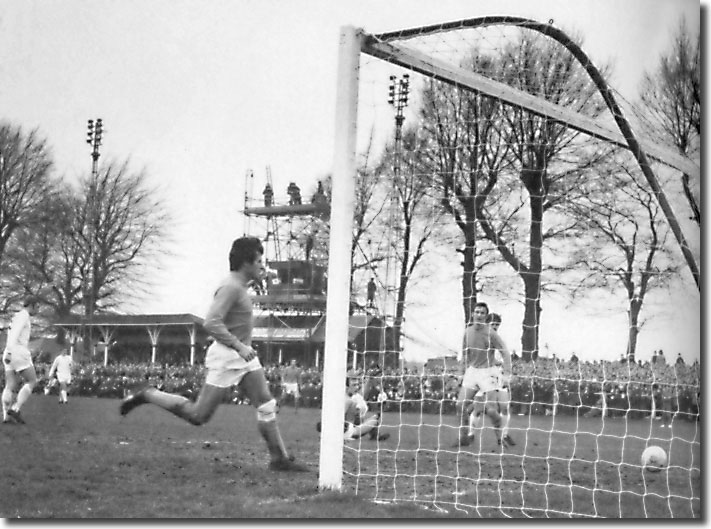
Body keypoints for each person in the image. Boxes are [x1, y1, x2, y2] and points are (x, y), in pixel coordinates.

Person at [119, 237, 308, 472]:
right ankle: (148, 394)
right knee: (199, 415)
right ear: (245, 263)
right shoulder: (230, 287)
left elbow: (247, 292)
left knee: (266, 404)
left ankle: (279, 459)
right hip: (228, 356)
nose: (263, 265)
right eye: (259, 261)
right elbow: (211, 322)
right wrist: (239, 346)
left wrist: (265, 278)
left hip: (244, 357)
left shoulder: (240, 285)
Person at [454, 302, 512, 448]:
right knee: (460, 405)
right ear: (473, 314)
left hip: (488, 372)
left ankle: (501, 434)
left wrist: (506, 373)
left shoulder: (490, 333)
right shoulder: (467, 331)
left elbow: (505, 351)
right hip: (472, 371)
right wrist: (461, 372)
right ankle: (463, 438)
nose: (479, 315)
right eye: (477, 312)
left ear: (485, 317)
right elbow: (465, 353)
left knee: (491, 409)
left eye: (482, 313)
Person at [467, 312, 515, 447]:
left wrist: (506, 373)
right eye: (492, 324)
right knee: (478, 408)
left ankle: (504, 435)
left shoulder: (499, 340)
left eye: (497, 325)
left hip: (498, 378)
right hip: (483, 376)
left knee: (505, 407)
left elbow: (505, 357)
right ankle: (471, 434)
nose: (494, 327)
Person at [2, 296, 41, 424]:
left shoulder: (16, 316)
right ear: (33, 305)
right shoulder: (24, 316)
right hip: (17, 351)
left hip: (9, 352)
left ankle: (6, 416)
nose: (38, 309)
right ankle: (16, 408)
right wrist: (10, 350)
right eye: (38, 306)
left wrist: (7, 352)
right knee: (32, 380)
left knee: (10, 384)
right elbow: (15, 334)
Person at [316, 377, 389, 442]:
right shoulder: (348, 400)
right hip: (349, 432)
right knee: (375, 420)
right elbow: (337, 419)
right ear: (346, 387)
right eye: (354, 385)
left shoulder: (344, 398)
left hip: (345, 430)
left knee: (372, 418)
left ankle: (375, 436)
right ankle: (376, 436)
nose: (357, 387)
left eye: (357, 385)